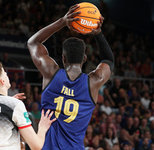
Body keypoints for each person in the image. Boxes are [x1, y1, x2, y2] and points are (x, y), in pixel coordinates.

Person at [27, 4, 114, 150]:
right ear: (84, 59)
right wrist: (98, 34)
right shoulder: (94, 81)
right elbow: (109, 60)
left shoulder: (51, 73)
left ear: (63, 58)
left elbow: (33, 42)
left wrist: (63, 21)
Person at [0, 61, 56, 150]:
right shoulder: (14, 105)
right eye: (4, 72)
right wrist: (42, 127)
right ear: (2, 81)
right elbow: (36, 146)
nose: (6, 73)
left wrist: (5, 105)